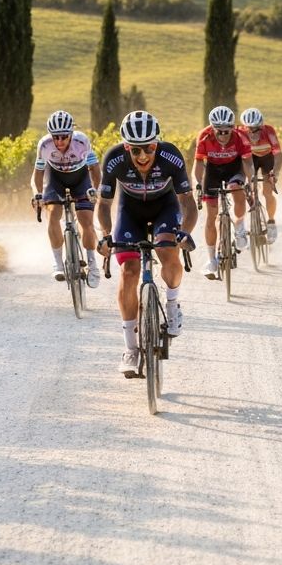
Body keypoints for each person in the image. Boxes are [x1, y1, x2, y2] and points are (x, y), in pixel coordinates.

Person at [96, 110, 197, 378]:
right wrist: (106, 234)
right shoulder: (114, 158)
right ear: (126, 147)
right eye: (135, 150)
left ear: (157, 143)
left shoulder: (171, 156)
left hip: (165, 206)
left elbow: (188, 202)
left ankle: (173, 306)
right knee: (129, 271)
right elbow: (104, 204)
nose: (143, 156)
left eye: (149, 148)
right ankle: (130, 349)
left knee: (168, 250)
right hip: (129, 211)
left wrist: (185, 232)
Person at [32, 110, 102, 285]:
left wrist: (95, 189)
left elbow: (94, 169)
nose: (59, 142)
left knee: (86, 221)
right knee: (53, 214)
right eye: (55, 137)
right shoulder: (44, 145)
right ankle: (57, 262)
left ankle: (92, 265)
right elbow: (37, 175)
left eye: (64, 137)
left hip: (80, 178)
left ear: (71, 134)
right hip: (55, 179)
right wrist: (37, 195)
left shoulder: (82, 141)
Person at [192, 105, 254, 278]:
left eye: (227, 131)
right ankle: (211, 259)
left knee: (237, 190)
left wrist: (250, 180)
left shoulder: (241, 137)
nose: (223, 135)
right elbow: (197, 163)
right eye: (219, 131)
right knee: (211, 216)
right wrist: (197, 183)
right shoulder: (204, 136)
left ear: (232, 128)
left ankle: (240, 226)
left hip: (234, 168)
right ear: (212, 129)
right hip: (212, 171)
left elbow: (248, 163)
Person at [236, 107, 282, 243]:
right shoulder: (238, 132)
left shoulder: (269, 131)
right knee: (245, 188)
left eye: (257, 129)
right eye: (249, 129)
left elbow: (278, 155)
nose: (253, 133)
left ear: (261, 126)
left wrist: (275, 172)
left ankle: (271, 222)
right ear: (244, 127)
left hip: (267, 159)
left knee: (267, 192)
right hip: (249, 159)